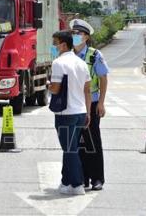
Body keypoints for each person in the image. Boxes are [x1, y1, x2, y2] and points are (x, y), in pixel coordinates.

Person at [48, 30, 92, 195]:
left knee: (70, 150)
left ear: (63, 44)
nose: (54, 46)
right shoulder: (81, 63)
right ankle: (66, 182)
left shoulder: (58, 63)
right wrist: (88, 112)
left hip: (65, 113)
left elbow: (55, 88)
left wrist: (48, 85)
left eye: (55, 43)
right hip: (80, 112)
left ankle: (77, 183)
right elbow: (87, 90)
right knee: (70, 148)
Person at [70, 19, 109, 191]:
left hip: (91, 104)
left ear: (86, 37)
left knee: (92, 141)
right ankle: (82, 178)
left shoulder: (94, 55)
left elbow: (103, 78)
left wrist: (101, 102)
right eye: (73, 33)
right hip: (72, 105)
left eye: (78, 34)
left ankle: (97, 178)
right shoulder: (67, 54)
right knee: (75, 143)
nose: (75, 36)